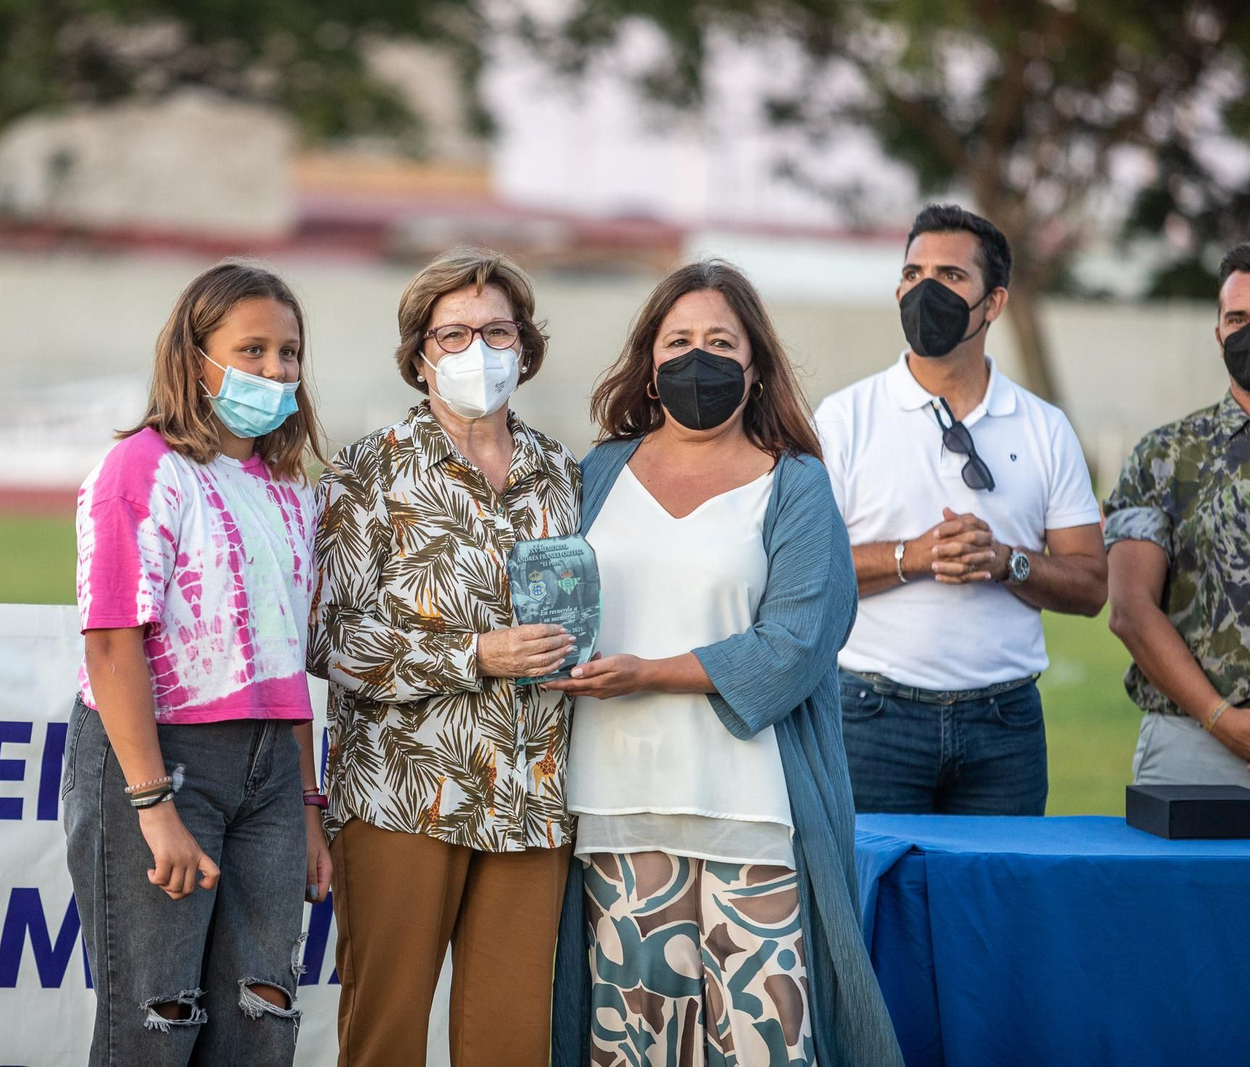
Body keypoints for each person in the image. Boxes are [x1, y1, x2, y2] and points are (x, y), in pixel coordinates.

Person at [549, 261, 904, 1067]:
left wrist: (649, 672)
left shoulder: (795, 482)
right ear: (649, 360)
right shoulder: (597, 472)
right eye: (679, 341)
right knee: (629, 1047)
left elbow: (799, 641)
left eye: (719, 341)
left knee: (765, 1043)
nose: (697, 358)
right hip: (617, 805)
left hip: (752, 813)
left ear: (755, 365)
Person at [307, 247, 582, 1067]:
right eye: (454, 333)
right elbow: (333, 639)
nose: (478, 351)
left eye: (496, 330)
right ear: (420, 352)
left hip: (531, 800)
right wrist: (477, 653)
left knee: (512, 1044)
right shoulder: (367, 471)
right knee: (385, 1036)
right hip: (403, 796)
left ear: (524, 348)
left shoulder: (563, 474)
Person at [63, 261, 331, 1067]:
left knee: (263, 1014)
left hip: (272, 777)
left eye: (288, 353)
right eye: (251, 351)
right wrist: (152, 803)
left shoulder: (291, 487)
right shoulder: (140, 470)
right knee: (158, 1019)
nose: (275, 371)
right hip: (160, 762)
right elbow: (112, 643)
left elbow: (287, 665)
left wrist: (309, 804)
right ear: (193, 356)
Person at [814, 204, 1107, 816]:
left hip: (1004, 727)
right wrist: (911, 557)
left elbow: (1090, 585)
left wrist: (1006, 563)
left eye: (950, 277)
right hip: (871, 716)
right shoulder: (843, 419)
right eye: (913, 272)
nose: (925, 289)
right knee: (872, 906)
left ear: (993, 303)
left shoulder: (1046, 428)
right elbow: (806, 572)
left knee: (995, 908)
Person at [1106, 243, 1250, 785]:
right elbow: (1130, 609)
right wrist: (1223, 721)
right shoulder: (1163, 455)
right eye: (1236, 318)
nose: (1245, 332)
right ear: (1218, 333)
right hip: (1193, 745)